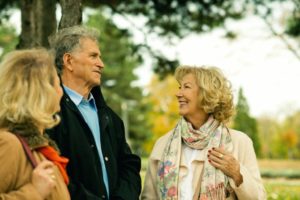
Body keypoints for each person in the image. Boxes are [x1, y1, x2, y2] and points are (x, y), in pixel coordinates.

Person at [141, 65, 266, 200]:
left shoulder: (239, 142)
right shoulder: (163, 144)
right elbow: (149, 197)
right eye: (179, 87)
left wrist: (237, 173)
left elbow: (259, 198)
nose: (178, 93)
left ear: (206, 93)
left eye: (186, 87)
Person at [46, 25, 141, 200]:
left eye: (100, 57)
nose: (101, 64)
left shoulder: (110, 118)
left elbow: (129, 166)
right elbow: (54, 173)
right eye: (93, 56)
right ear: (68, 61)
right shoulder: (50, 114)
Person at [0, 49, 70, 200]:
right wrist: (35, 192)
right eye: (57, 85)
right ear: (42, 92)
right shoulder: (9, 144)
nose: (61, 92)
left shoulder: (40, 149)